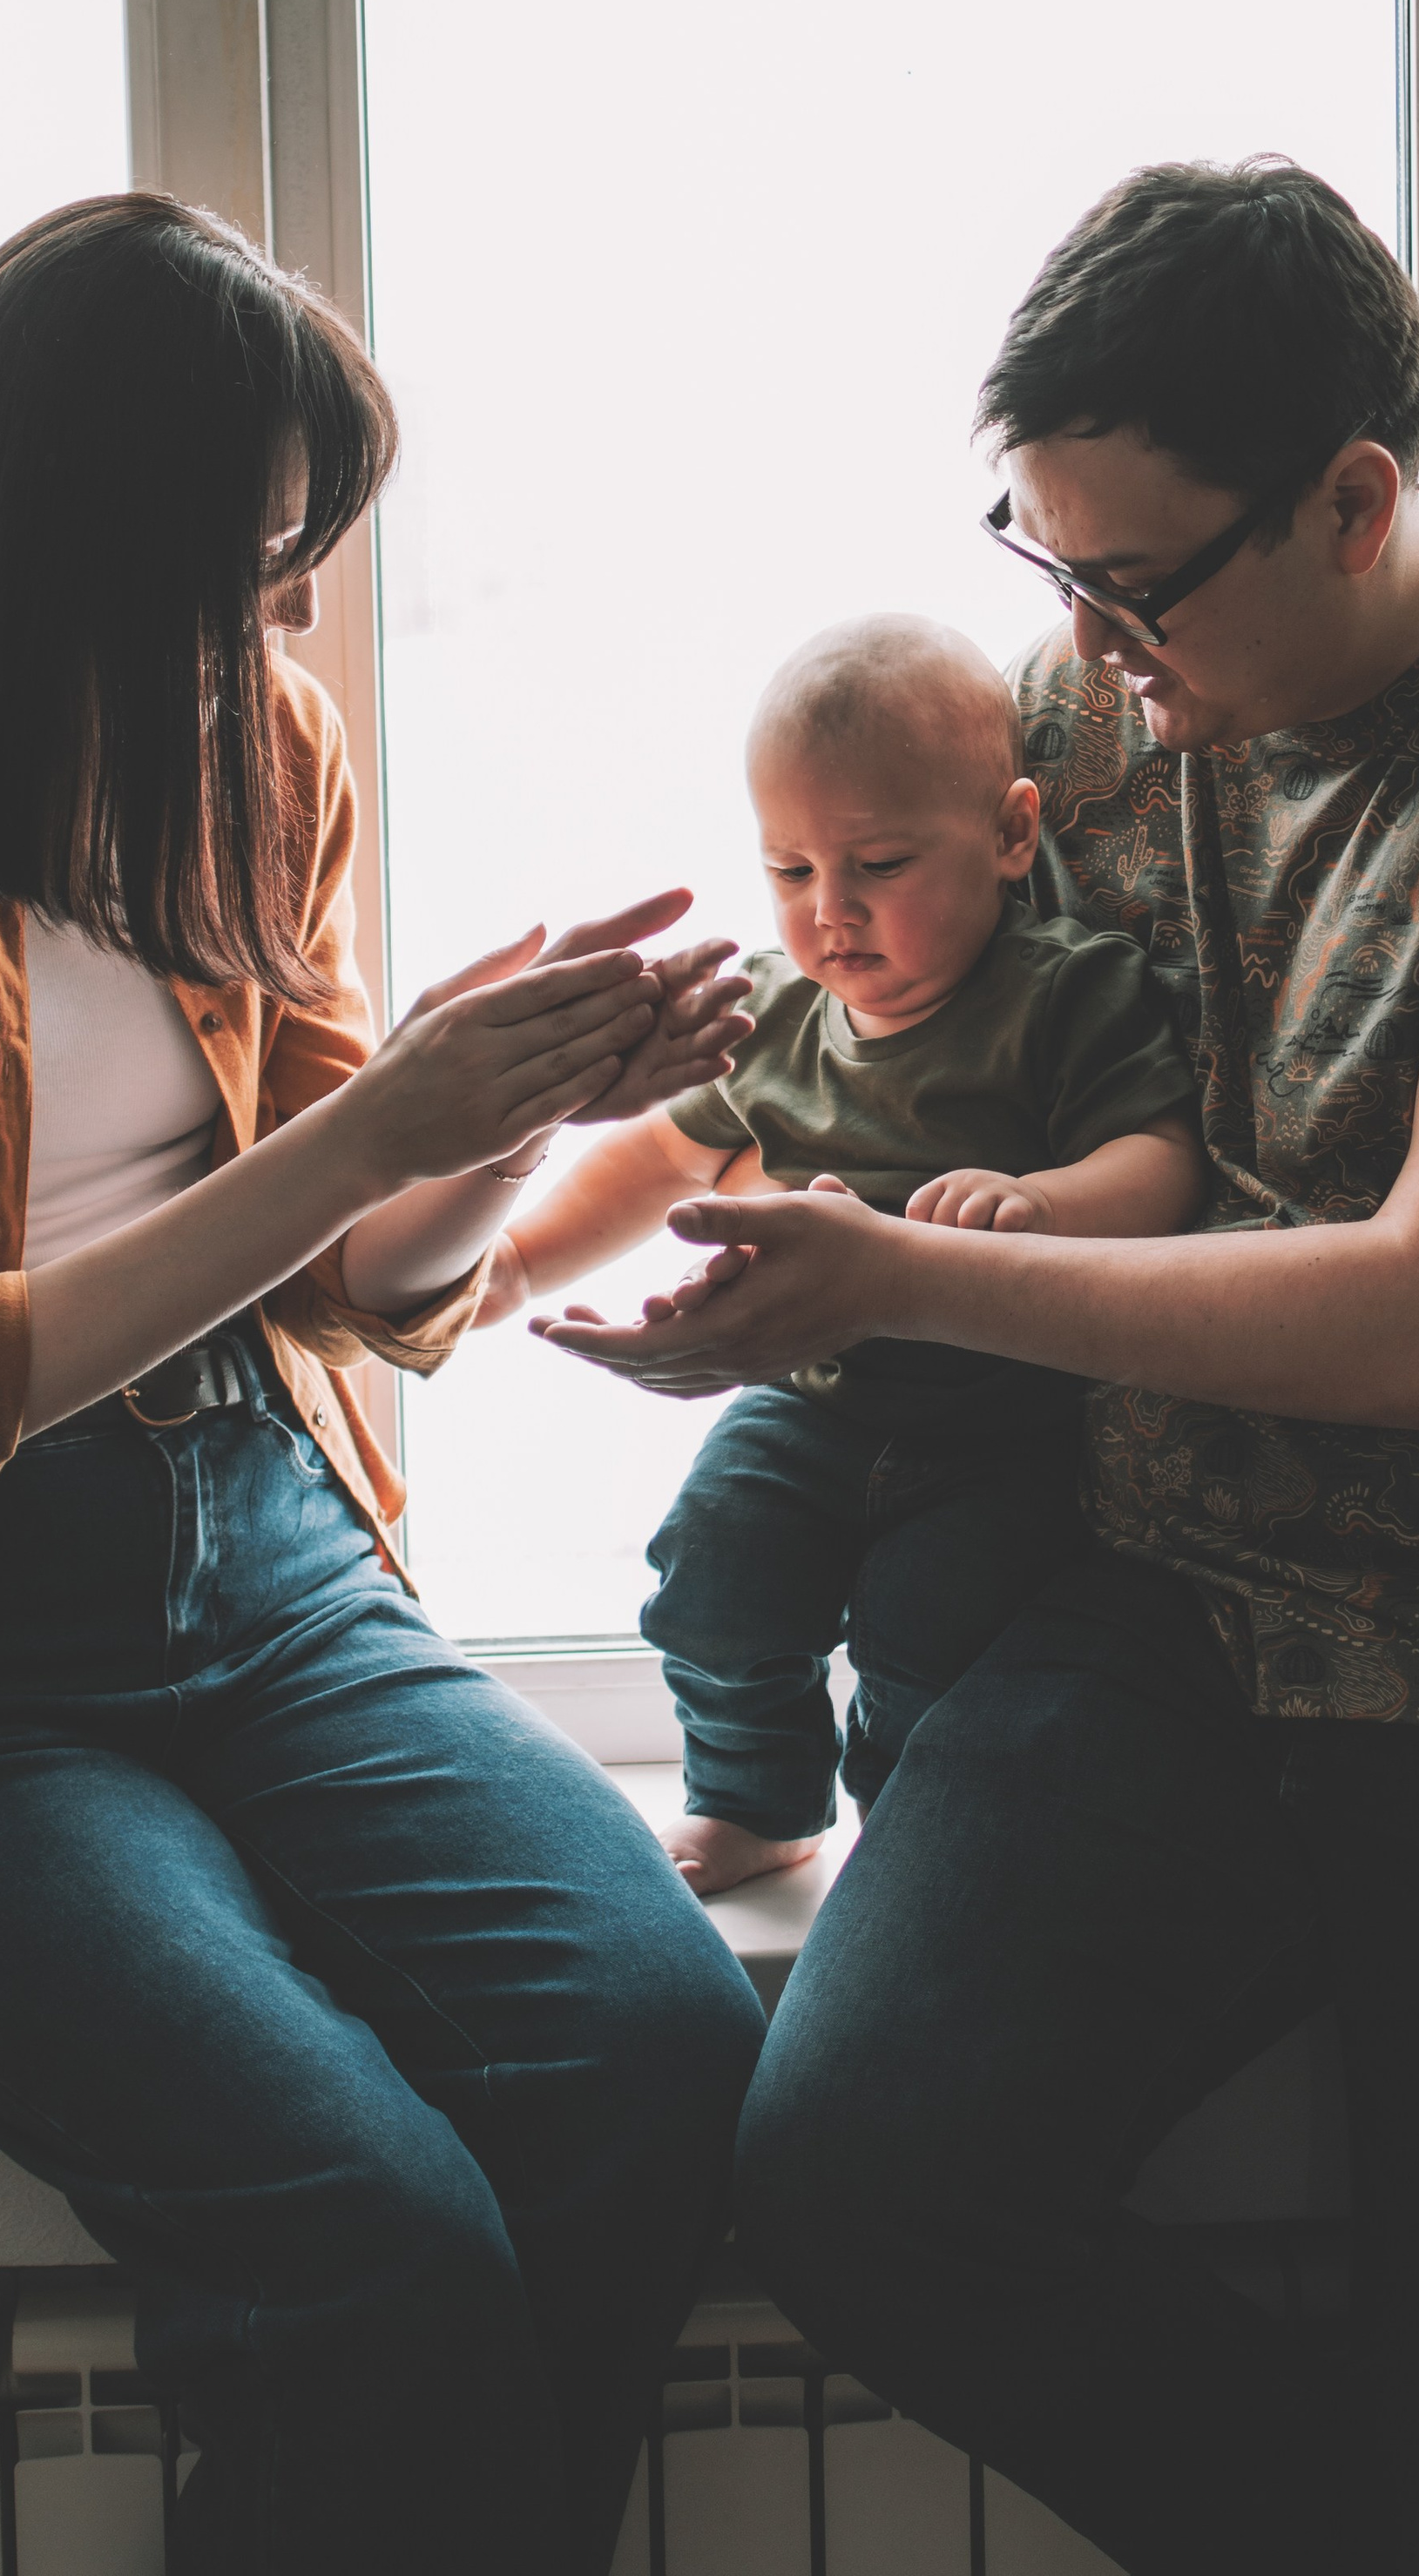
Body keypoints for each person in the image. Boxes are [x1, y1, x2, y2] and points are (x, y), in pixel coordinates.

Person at [537, 158, 1419, 2576]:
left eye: (1132, 585)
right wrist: (623, 1138)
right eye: (1046, 563)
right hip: (1195, 1602)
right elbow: (895, 1027)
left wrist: (893, 1285)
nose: (1086, 639)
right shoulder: (1085, 711)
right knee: (858, 2184)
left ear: (1351, 500)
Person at [0, 193, 767, 2576]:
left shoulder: (257, 750)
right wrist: (370, 1127)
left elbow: (356, 1289)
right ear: (69, 543)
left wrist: (500, 1114)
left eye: (302, 559)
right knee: (373, 2243)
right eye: (249, 566)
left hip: (260, 1557)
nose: (290, 621)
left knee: (657, 2055)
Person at [484, 612, 1199, 1893]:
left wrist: (1043, 1204)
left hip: (1001, 1425)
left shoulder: (1063, 992)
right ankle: (756, 1804)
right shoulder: (775, 1012)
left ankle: (906, 1837)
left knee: (934, 1634)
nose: (832, 912)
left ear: (1010, 836)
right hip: (811, 1404)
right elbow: (660, 1158)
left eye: (879, 864)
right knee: (709, 1570)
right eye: (792, 870)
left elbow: (1163, 1161)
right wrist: (522, 1262)